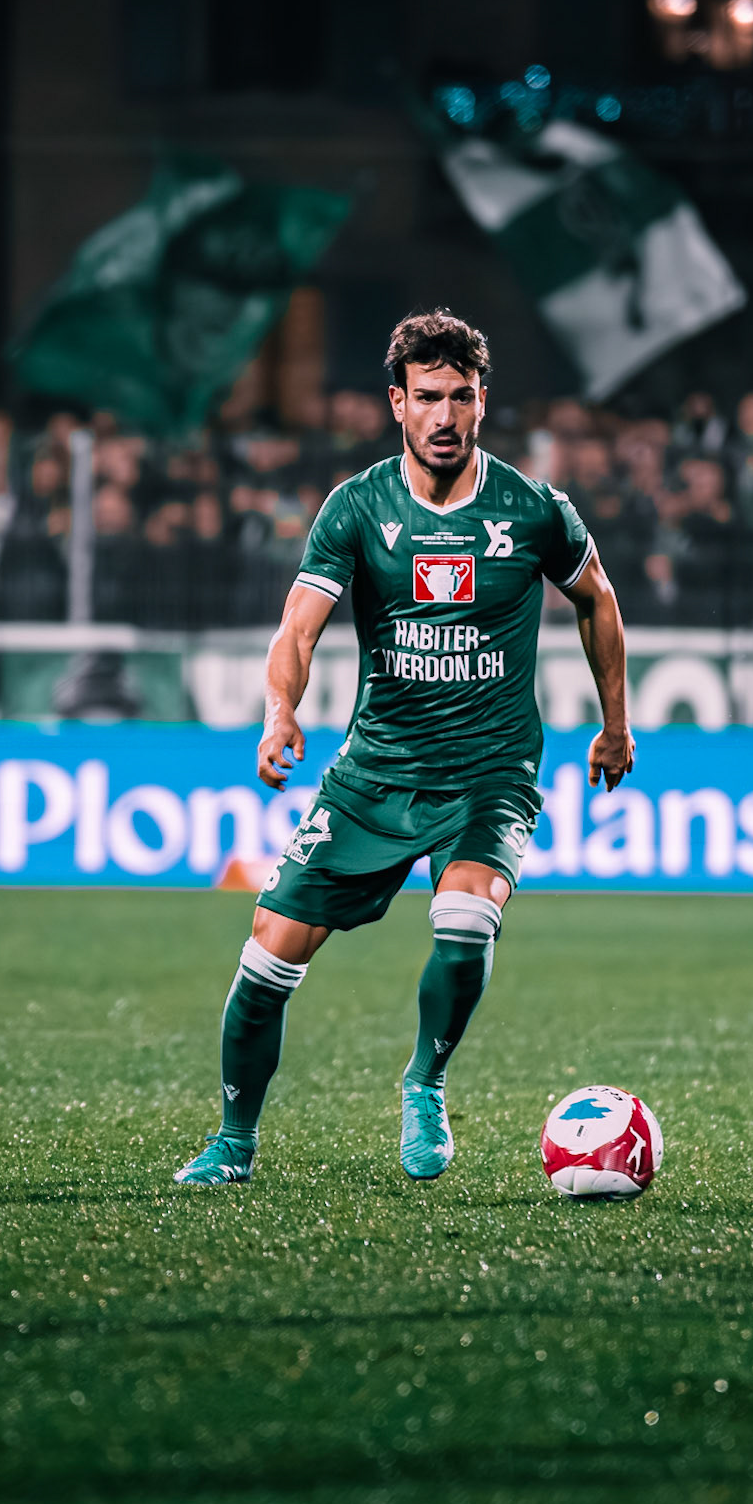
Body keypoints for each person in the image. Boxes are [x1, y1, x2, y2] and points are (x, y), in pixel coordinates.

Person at [174, 309, 634, 1188]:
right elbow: (298, 630)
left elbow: (598, 599)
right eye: (428, 397)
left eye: (461, 397)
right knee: (268, 950)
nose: (446, 416)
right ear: (397, 402)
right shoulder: (357, 507)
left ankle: (424, 1081)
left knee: (464, 919)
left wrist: (616, 723)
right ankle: (234, 1141)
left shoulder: (533, 510)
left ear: (482, 401)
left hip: (490, 771)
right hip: (377, 769)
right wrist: (280, 715)